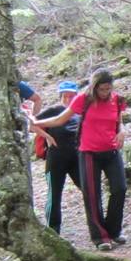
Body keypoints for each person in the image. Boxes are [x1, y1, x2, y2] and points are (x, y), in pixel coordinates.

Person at [30, 68, 127, 251]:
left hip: (111, 151)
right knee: (91, 194)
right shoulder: (83, 99)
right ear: (94, 87)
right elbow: (59, 120)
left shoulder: (117, 100)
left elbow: (118, 120)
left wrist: (122, 131)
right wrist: (35, 123)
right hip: (89, 153)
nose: (105, 93)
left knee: (120, 188)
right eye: (102, 90)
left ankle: (113, 230)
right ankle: (100, 236)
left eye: (108, 89)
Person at [35, 80, 82, 235]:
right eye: (65, 96)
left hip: (76, 159)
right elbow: (31, 124)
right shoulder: (54, 110)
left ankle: (100, 229)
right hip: (56, 159)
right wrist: (46, 135)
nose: (68, 100)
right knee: (54, 195)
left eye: (71, 96)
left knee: (89, 190)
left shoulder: (81, 112)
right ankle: (53, 231)